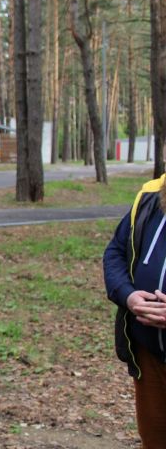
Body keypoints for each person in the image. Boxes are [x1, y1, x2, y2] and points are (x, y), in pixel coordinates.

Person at [103, 174, 166, 448]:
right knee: (154, 439)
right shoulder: (150, 198)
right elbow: (115, 251)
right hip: (150, 354)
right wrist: (127, 296)